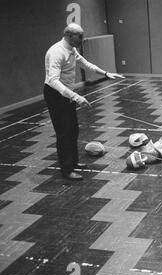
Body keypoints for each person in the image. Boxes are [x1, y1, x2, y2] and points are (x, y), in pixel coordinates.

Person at [44, 23, 124, 180]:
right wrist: (76, 96)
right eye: (79, 36)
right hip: (55, 95)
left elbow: (86, 64)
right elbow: (53, 81)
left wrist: (106, 73)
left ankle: (73, 163)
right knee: (63, 133)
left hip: (67, 94)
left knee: (73, 130)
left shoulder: (72, 49)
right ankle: (67, 170)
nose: (82, 39)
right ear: (69, 35)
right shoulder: (56, 52)